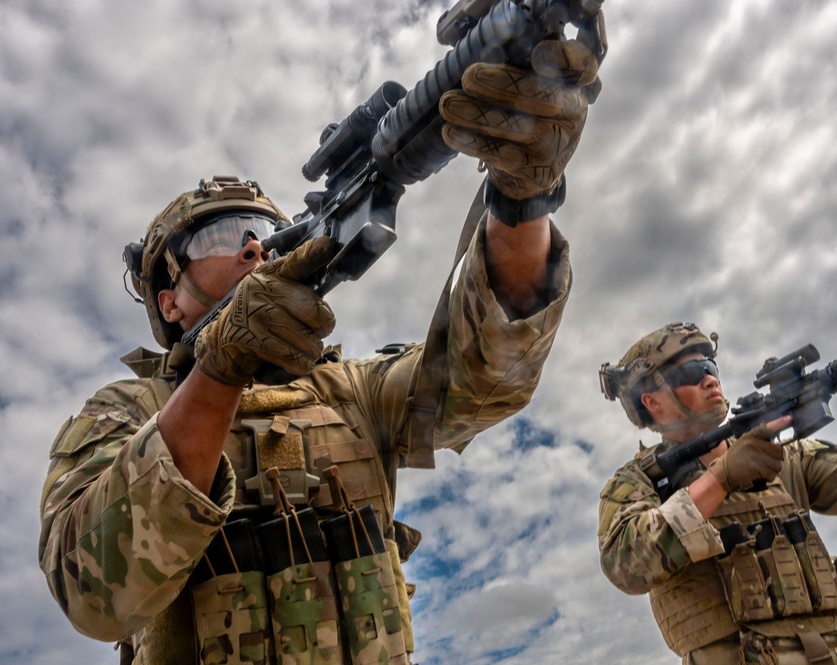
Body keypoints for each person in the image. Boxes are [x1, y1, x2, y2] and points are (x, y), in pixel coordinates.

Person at [38, 38, 600, 665]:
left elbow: (484, 378)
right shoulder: (127, 409)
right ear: (169, 302)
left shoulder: (351, 392)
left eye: (264, 232)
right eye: (224, 236)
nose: (255, 248)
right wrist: (221, 368)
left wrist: (522, 196)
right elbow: (94, 594)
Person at [597, 321, 837, 665]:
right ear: (651, 400)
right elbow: (627, 565)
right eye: (690, 373)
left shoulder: (784, 456)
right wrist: (723, 478)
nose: (709, 378)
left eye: (709, 366)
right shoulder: (637, 482)